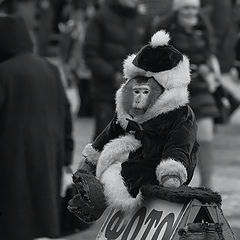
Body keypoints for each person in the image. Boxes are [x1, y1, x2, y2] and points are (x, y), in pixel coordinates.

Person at [68, 30, 199, 223]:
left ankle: (98, 198)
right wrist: (92, 157)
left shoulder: (179, 113)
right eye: (135, 91)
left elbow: (179, 144)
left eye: (144, 92)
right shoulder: (125, 107)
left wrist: (171, 172)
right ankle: (94, 193)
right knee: (114, 164)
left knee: (124, 174)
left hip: (161, 160)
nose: (138, 98)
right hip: (134, 154)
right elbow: (111, 132)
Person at [0, 16, 74, 240]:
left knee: (13, 219)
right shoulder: (50, 69)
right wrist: (67, 155)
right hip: (48, 154)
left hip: (10, 157)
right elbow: (65, 112)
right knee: (40, 215)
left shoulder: (4, 72)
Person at [153, 0, 219, 188]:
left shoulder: (204, 28)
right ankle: (173, 184)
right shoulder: (165, 29)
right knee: (177, 139)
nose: (191, 12)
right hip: (175, 90)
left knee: (206, 136)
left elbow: (211, 51)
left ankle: (207, 186)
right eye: (186, 8)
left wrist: (207, 67)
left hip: (201, 88)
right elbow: (157, 58)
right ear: (178, 10)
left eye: (194, 8)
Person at [83, 0, 151, 139]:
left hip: (137, 91)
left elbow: (151, 52)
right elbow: (90, 53)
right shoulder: (100, 18)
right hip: (106, 92)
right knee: (105, 139)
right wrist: (112, 75)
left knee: (133, 142)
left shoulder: (144, 20)